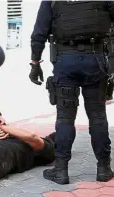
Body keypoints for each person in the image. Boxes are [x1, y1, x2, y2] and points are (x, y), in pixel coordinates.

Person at [29, 1, 114, 184]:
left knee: (65, 117)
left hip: (66, 62)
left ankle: (61, 170)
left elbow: (39, 33)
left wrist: (35, 64)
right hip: (96, 60)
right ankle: (104, 168)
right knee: (98, 115)